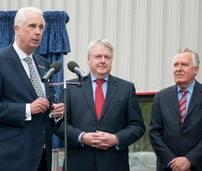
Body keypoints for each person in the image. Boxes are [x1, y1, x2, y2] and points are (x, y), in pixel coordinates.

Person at [55, 38, 145, 171]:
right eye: (98, 56)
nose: (103, 60)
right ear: (88, 59)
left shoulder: (126, 88)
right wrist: (82, 137)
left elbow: (137, 126)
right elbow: (59, 124)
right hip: (78, 164)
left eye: (107, 57)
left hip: (114, 164)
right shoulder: (71, 87)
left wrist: (116, 139)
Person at [0, 7, 64, 171]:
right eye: (32, 26)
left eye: (41, 27)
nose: (38, 32)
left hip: (43, 155)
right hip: (12, 157)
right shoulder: (2, 61)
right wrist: (27, 109)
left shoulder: (44, 64)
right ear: (17, 29)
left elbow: (45, 103)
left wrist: (55, 112)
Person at [149, 48, 202, 171]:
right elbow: (154, 133)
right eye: (176, 65)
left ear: (196, 70)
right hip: (169, 167)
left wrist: (190, 160)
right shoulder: (161, 97)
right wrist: (172, 162)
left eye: (184, 65)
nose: (178, 69)